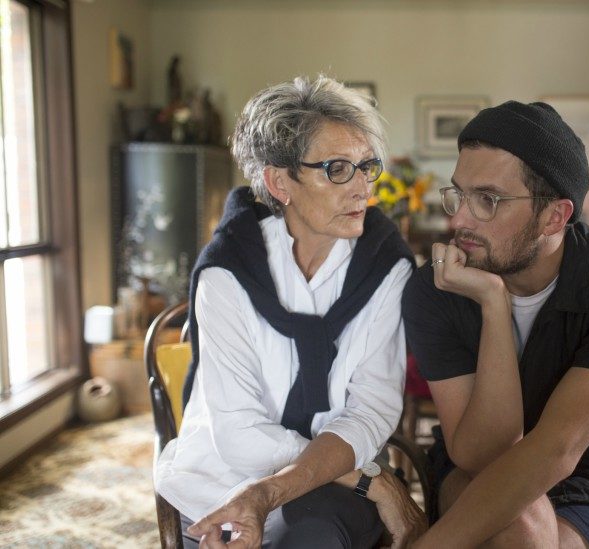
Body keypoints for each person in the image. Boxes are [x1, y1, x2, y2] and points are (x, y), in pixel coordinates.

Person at [154, 75, 425, 548]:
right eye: (337, 168)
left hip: (333, 488)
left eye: (367, 167)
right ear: (280, 182)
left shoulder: (386, 265)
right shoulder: (227, 273)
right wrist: (370, 480)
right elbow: (238, 434)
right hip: (226, 475)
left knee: (315, 533)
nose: (363, 188)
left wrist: (324, 477)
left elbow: (372, 407)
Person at [402, 101, 589, 548]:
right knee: (520, 527)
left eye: (487, 199)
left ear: (555, 217)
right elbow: (482, 454)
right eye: (459, 194)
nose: (459, 219)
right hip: (472, 472)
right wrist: (493, 305)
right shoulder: (436, 288)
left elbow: (559, 448)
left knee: (522, 532)